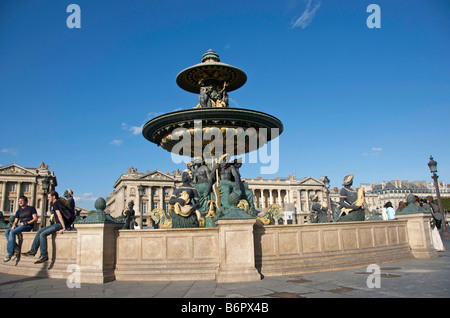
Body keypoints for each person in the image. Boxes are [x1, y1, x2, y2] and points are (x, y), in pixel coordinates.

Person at [22, 191, 67, 264]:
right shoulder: (57, 203)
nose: (48, 199)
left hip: (59, 224)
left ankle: (44, 255)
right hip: (57, 224)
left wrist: (63, 227)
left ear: (53, 197)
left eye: (49, 197)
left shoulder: (55, 204)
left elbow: (59, 216)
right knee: (39, 231)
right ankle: (32, 251)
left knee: (43, 234)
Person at [3, 196, 37, 262]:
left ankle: (9, 253)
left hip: (27, 226)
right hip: (20, 225)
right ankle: (16, 247)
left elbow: (35, 219)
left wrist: (26, 223)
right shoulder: (19, 211)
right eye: (19, 201)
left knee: (12, 232)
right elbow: (15, 221)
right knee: (7, 232)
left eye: (22, 201)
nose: (20, 202)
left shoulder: (31, 208)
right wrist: (13, 226)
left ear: (26, 201)